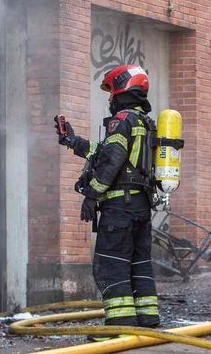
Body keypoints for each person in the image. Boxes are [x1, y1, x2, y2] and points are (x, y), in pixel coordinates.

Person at [55, 64, 159, 331]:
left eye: (111, 92)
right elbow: (104, 152)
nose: (110, 99)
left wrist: (91, 195)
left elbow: (111, 161)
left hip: (119, 209)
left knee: (111, 265)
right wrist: (73, 141)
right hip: (141, 207)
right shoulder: (144, 122)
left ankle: (120, 324)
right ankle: (147, 320)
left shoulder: (121, 120)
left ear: (122, 89)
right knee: (139, 265)